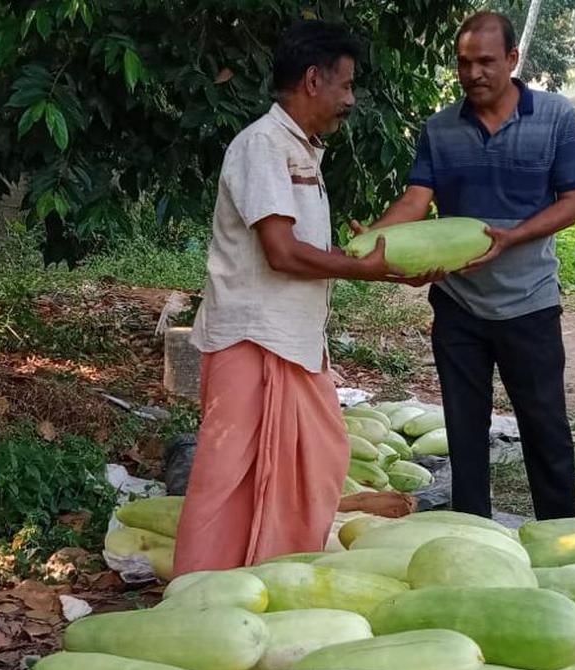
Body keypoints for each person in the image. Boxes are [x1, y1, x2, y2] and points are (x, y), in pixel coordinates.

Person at [173, 20, 436, 575]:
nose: (350, 99)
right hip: (251, 337)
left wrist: (382, 266)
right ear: (313, 80)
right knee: (228, 480)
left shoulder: (301, 151)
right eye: (346, 85)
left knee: (315, 462)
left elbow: (309, 252)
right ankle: (202, 592)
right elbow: (282, 253)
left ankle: (274, 581)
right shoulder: (263, 145)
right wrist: (367, 269)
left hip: (292, 339)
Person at [359, 10, 575, 521]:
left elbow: (573, 202)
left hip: (530, 302)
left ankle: (561, 537)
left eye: (486, 61)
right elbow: (417, 199)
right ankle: (471, 535)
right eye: (464, 63)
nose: (474, 73)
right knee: (464, 432)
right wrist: (375, 237)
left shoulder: (555, 116)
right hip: (459, 306)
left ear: (512, 59)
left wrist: (512, 238)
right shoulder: (440, 128)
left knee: (545, 427)